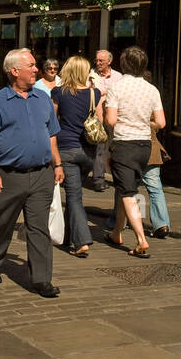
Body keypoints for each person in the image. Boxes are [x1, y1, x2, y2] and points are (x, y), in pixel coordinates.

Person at [0, 48, 64, 297]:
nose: (37, 69)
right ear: (14, 71)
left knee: (39, 228)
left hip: (42, 174)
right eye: (32, 65)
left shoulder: (43, 99)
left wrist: (57, 164)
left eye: (36, 65)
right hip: (9, 175)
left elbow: (52, 135)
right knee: (2, 223)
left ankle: (41, 279)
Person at [103, 46, 165, 258]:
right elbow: (161, 122)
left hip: (124, 145)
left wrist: (119, 120)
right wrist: (142, 121)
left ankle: (141, 239)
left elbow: (110, 120)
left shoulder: (117, 88)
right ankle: (116, 233)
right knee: (124, 189)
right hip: (145, 146)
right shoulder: (152, 90)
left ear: (124, 64)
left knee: (128, 193)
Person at [50, 56, 103, 258]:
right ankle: (67, 236)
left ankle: (81, 241)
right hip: (88, 153)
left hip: (67, 150)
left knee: (73, 197)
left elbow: (50, 120)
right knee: (75, 193)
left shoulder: (59, 93)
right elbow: (100, 120)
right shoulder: (94, 93)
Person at [89, 49, 122, 190]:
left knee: (115, 148)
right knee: (100, 149)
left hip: (115, 118)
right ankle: (98, 180)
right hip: (97, 119)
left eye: (101, 61)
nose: (98, 63)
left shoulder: (118, 77)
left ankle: (118, 178)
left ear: (109, 61)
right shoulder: (91, 75)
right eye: (96, 60)